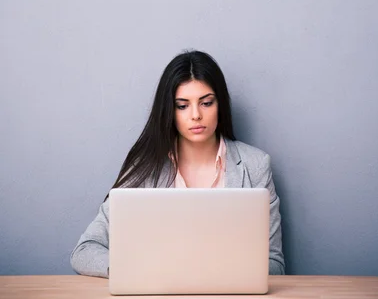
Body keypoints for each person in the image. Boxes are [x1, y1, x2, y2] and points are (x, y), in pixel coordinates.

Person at [70, 50, 285, 276]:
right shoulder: (145, 168)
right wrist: (138, 269)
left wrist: (212, 271)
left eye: (206, 103)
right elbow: (85, 251)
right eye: (182, 105)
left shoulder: (256, 165)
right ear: (169, 111)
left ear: (220, 104)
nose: (195, 115)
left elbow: (275, 263)